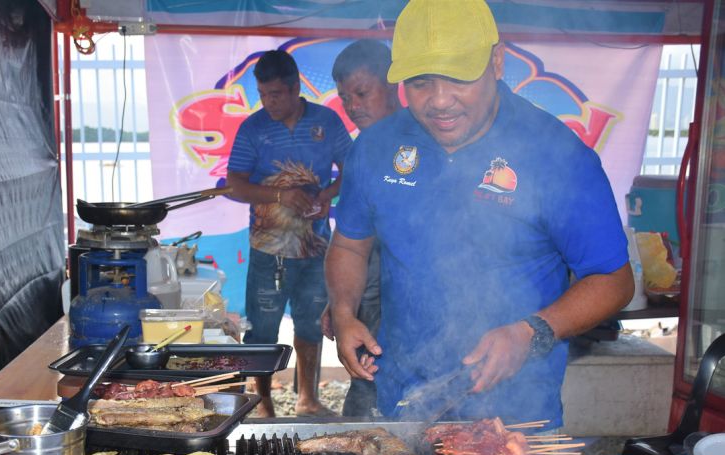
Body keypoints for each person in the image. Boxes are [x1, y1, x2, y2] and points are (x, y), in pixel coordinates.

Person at [325, 0, 634, 429]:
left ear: (497, 61)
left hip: (514, 415)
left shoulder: (556, 155)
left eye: (459, 78)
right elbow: (349, 244)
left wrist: (531, 332)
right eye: (419, 82)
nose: (438, 101)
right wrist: (343, 311)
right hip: (402, 400)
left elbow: (613, 280)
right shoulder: (377, 147)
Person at [227, 49, 351, 417]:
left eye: (276, 95)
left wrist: (328, 196)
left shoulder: (327, 122)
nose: (269, 103)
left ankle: (307, 399)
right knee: (262, 330)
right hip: (269, 249)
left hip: (316, 247)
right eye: (263, 95)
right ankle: (263, 402)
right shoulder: (253, 128)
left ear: (296, 87)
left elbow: (352, 169)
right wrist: (280, 195)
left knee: (313, 323)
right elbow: (234, 184)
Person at [321, 39, 400, 417]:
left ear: (394, 84)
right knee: (365, 393)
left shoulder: (425, 142)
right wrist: (340, 304)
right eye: (345, 97)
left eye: (362, 93)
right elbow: (350, 243)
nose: (352, 106)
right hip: (369, 298)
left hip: (413, 306)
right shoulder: (361, 151)